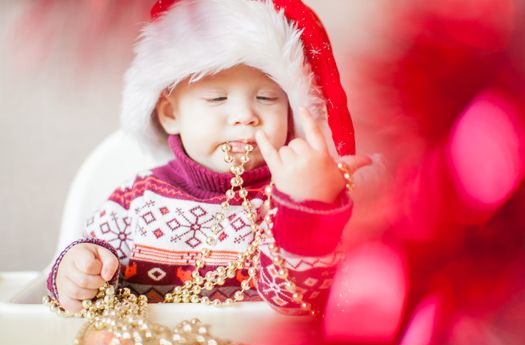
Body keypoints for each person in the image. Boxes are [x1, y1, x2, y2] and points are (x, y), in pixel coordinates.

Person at [47, 0, 369, 315]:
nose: (244, 116)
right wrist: (77, 272)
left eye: (266, 97)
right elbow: (88, 286)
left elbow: (298, 301)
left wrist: (308, 206)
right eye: (217, 98)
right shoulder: (137, 198)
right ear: (171, 113)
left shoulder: (288, 202)